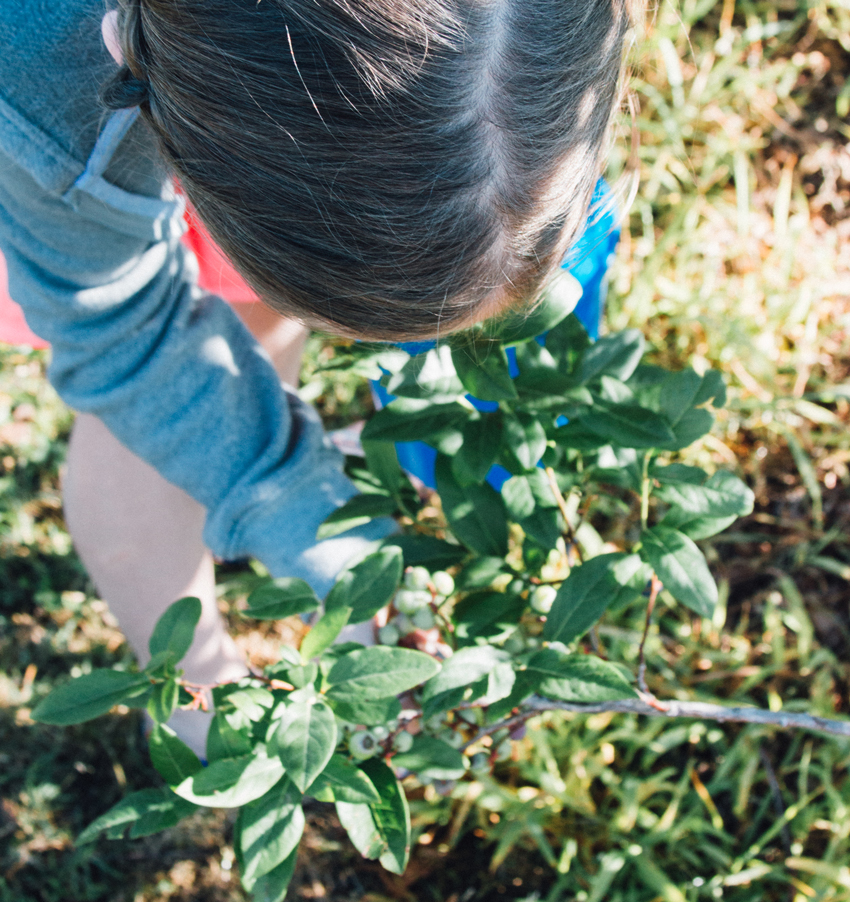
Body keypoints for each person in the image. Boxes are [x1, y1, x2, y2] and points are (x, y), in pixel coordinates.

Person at [0, 0, 640, 752]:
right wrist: (296, 497)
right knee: (146, 404)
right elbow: (124, 330)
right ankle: (190, 697)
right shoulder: (50, 92)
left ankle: (244, 410)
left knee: (251, 309)